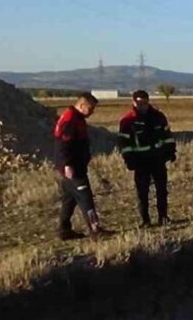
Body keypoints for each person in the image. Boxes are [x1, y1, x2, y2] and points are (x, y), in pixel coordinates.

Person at [118, 90, 177, 227]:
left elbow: (167, 135)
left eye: (145, 103)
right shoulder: (128, 120)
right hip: (140, 162)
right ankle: (145, 220)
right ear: (133, 102)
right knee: (142, 192)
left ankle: (163, 217)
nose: (142, 106)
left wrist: (171, 151)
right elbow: (124, 143)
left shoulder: (158, 116)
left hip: (158, 159)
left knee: (162, 189)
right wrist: (129, 159)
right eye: (139, 103)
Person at [54, 92, 108, 239]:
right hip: (73, 168)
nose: (92, 112)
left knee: (69, 199)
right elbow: (63, 144)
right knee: (86, 199)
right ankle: (95, 230)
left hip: (75, 165)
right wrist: (67, 165)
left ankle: (63, 230)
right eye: (90, 109)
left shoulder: (76, 118)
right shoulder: (70, 120)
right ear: (82, 105)